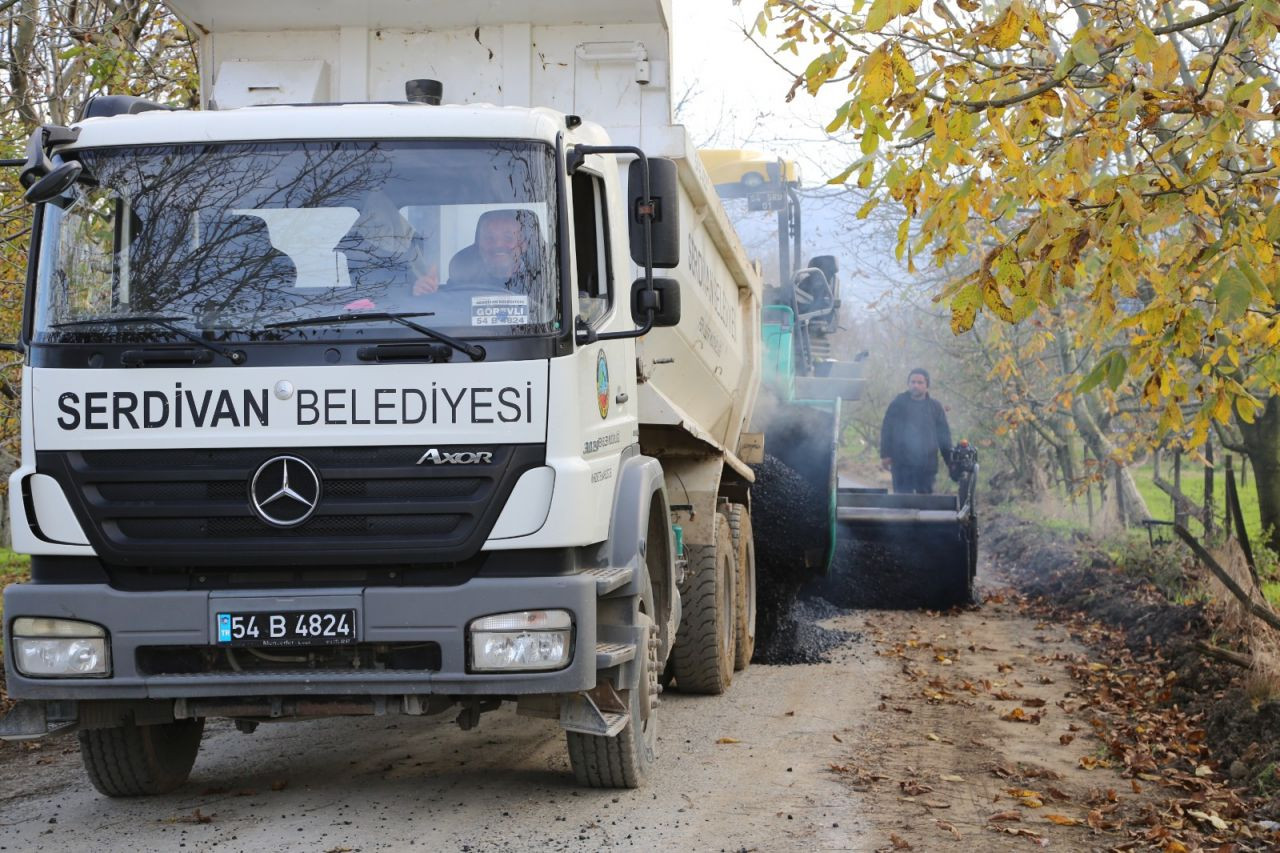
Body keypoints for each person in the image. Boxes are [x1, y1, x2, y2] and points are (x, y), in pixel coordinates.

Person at [413, 209, 541, 296]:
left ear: (524, 245)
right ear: (478, 244)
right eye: (489, 238)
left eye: (508, 237)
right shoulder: (462, 282)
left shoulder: (540, 284)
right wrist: (425, 295)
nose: (497, 245)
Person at [879, 368, 953, 494]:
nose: (915, 386)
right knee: (901, 503)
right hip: (901, 464)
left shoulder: (935, 407)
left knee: (925, 504)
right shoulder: (898, 404)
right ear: (908, 384)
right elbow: (887, 429)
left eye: (920, 382)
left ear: (927, 385)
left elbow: (943, 436)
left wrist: (950, 461)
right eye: (912, 382)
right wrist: (885, 455)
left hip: (927, 466)